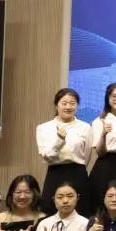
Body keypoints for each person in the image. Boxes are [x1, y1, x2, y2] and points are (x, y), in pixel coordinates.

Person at [36, 88, 92, 216]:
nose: (68, 107)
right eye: (64, 103)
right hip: (55, 173)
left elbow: (87, 155)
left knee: (81, 212)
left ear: (77, 106)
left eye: (72, 103)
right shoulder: (44, 128)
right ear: (57, 105)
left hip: (78, 173)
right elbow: (47, 157)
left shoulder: (85, 127)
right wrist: (59, 141)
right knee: (50, 212)